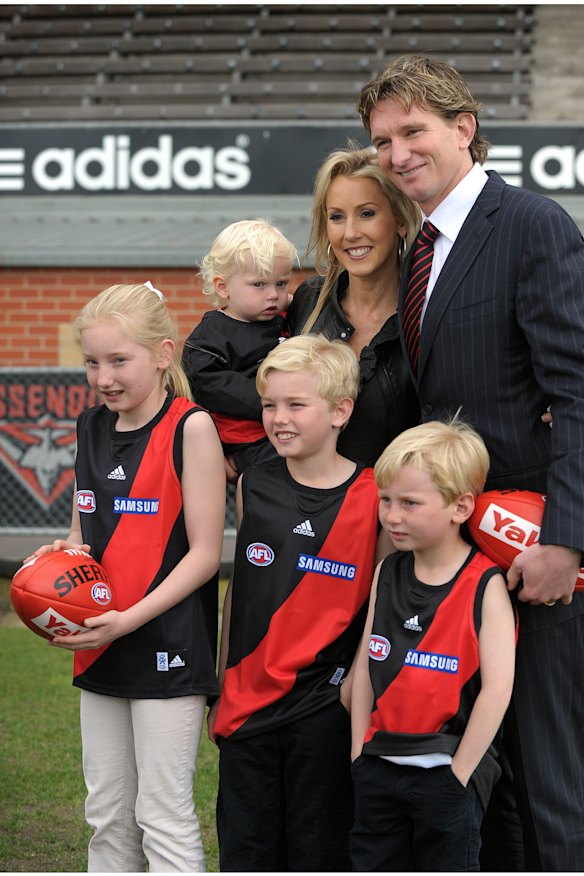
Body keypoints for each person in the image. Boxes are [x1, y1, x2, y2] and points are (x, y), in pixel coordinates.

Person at [358, 54, 584, 871]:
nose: (396, 154)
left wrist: (565, 539)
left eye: (413, 131)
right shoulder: (423, 248)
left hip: (534, 558)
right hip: (457, 561)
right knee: (480, 783)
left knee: (547, 776)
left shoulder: (531, 225)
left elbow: (577, 390)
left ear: (465, 127)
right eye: (383, 140)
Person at [29, 282, 226, 872]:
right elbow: (83, 534)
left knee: (162, 814)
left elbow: (206, 555)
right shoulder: (90, 426)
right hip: (100, 642)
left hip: (166, 643)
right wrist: (58, 558)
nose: (103, 377)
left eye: (119, 360)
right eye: (93, 362)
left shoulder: (192, 428)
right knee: (108, 813)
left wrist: (127, 620)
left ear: (164, 354)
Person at [209, 334, 393, 872]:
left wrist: (355, 692)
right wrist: (223, 683)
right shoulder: (252, 484)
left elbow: (380, 607)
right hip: (248, 706)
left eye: (296, 405)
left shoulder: (373, 495)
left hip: (324, 708)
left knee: (318, 851)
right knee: (247, 852)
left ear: (341, 411)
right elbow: (240, 591)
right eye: (269, 405)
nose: (278, 418)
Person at [350, 419, 516, 872]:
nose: (392, 516)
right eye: (385, 500)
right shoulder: (388, 572)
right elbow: (365, 665)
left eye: (410, 503)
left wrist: (459, 775)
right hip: (380, 764)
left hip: (447, 774)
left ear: (460, 506)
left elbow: (497, 691)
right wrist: (358, 754)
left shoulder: (486, 584)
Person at [285, 144, 421, 467]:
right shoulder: (308, 300)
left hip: (392, 511)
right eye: (336, 217)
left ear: (400, 220)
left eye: (367, 213)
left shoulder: (428, 311)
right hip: (310, 512)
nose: (350, 233)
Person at [183, 218, 296, 480]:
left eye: (280, 284)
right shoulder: (211, 336)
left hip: (285, 428)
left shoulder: (283, 318)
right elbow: (207, 381)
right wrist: (270, 402)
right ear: (223, 287)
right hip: (249, 442)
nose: (272, 295)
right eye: (259, 284)